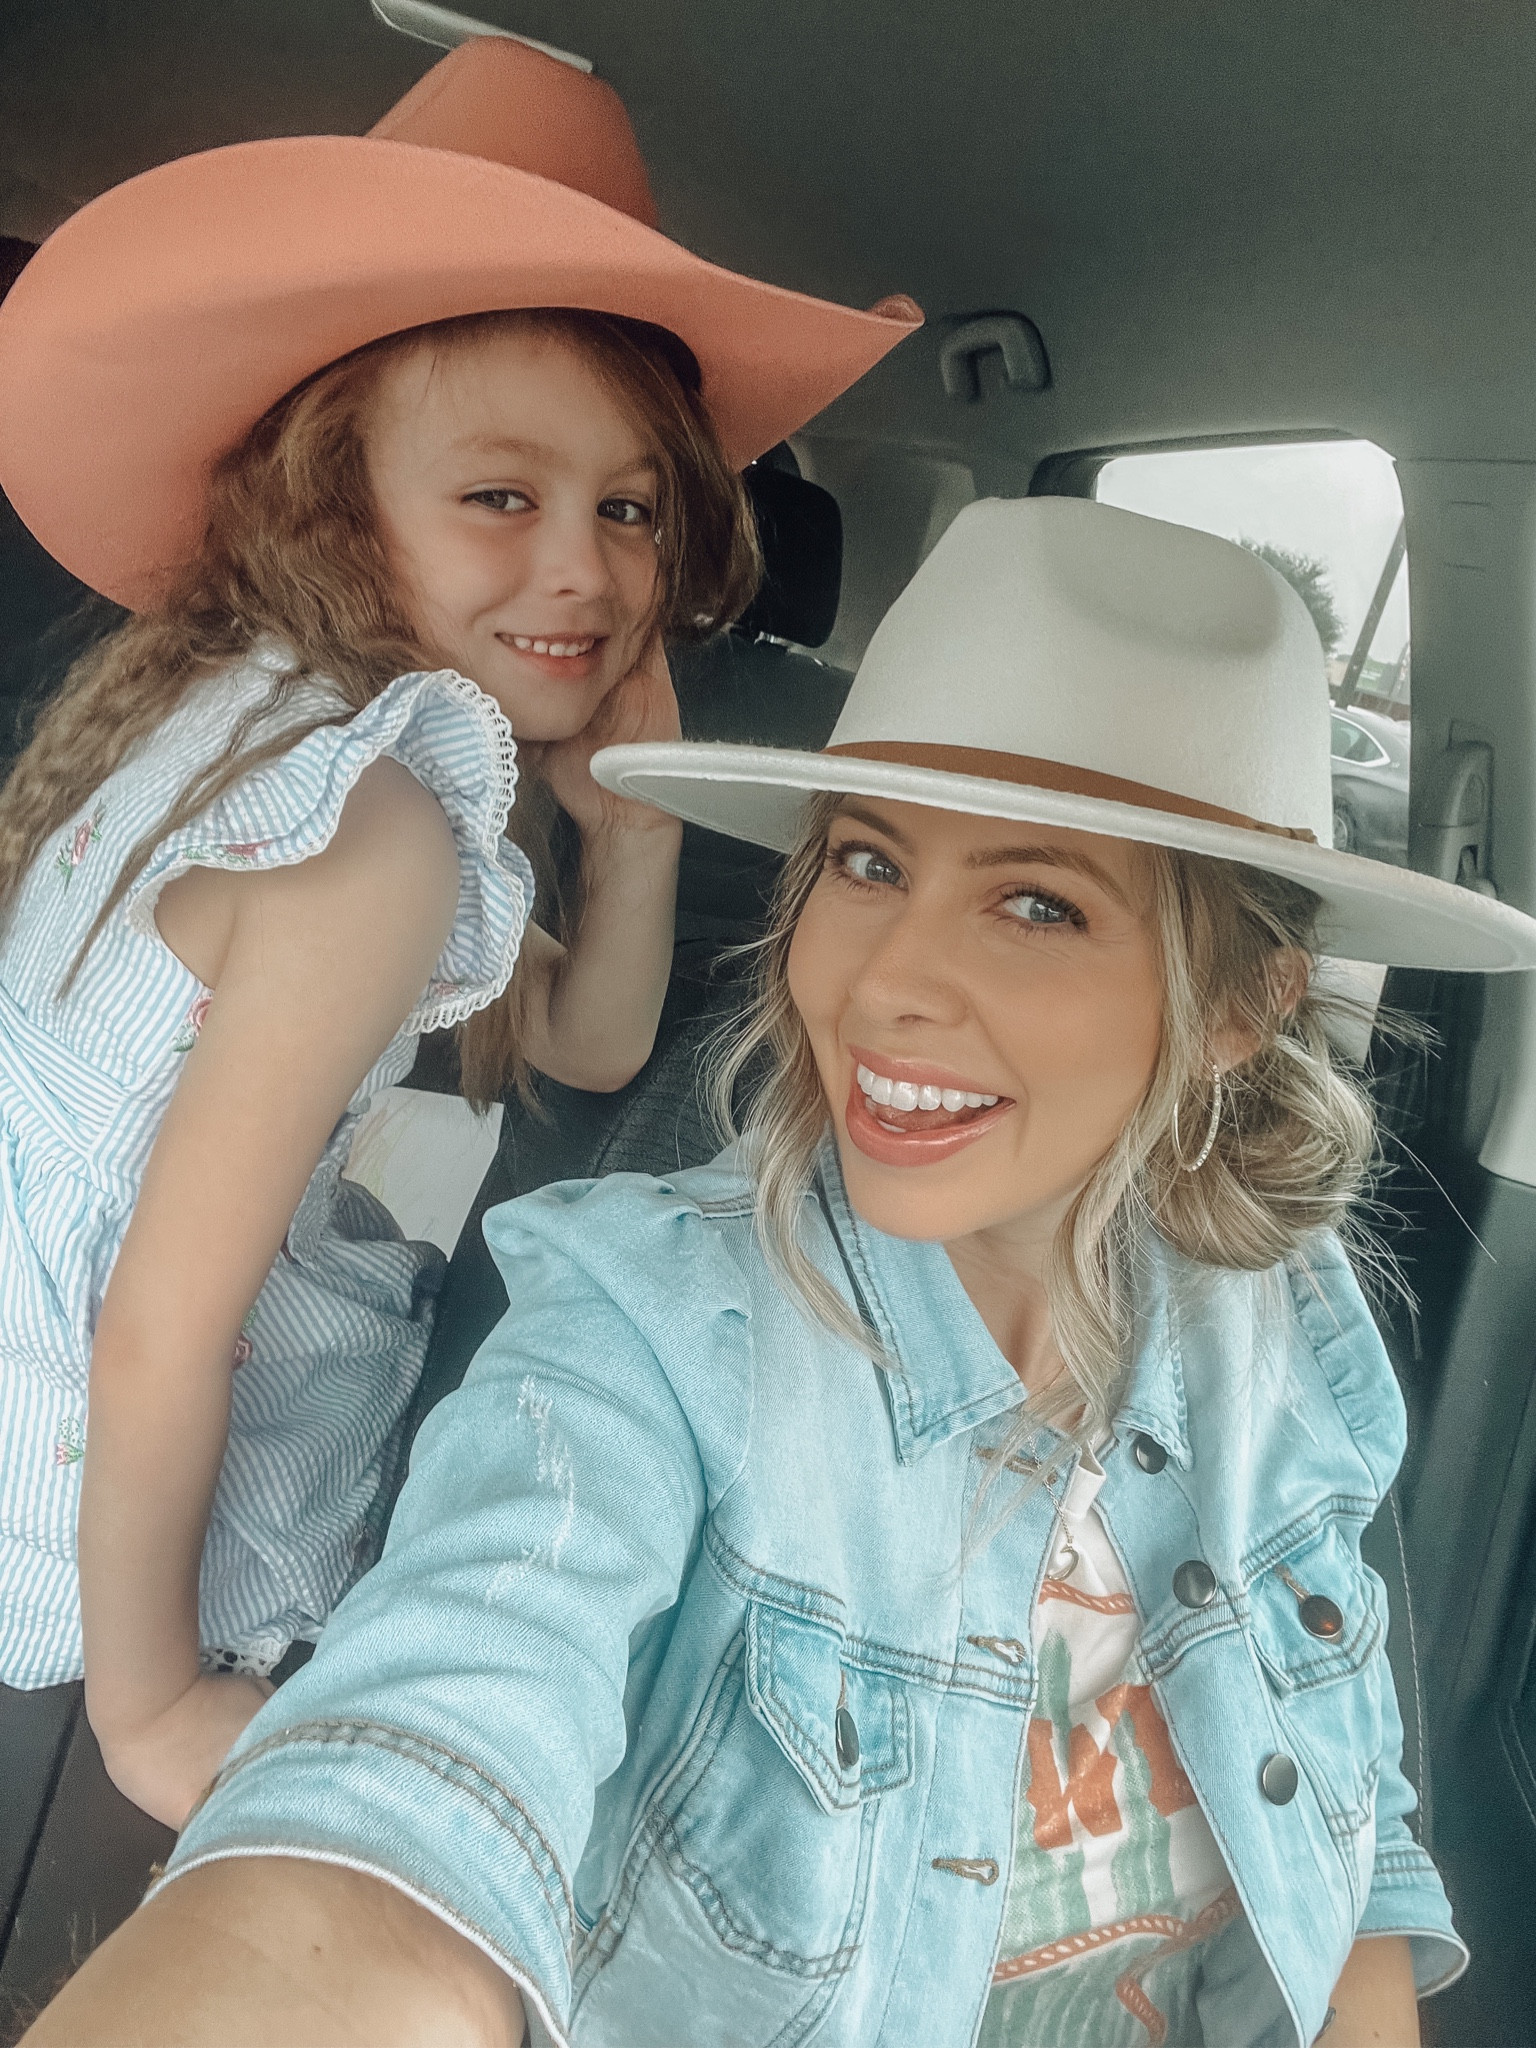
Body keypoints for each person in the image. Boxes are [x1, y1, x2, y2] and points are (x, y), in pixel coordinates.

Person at [25, 497, 1532, 2048]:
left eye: (1036, 903)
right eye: (869, 863)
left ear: (1241, 1005)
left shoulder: (1280, 1312)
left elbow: (1355, 1828)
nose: (882, 980)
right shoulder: (647, 1330)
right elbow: (410, 1798)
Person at [0, 36, 919, 1828]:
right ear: (334, 509)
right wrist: (152, 1707)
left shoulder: (242, 716)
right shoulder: (374, 837)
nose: (583, 567)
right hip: (119, 1560)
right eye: (502, 496)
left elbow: (573, 1049)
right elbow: (159, 1334)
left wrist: (626, 832)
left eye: (629, 509)